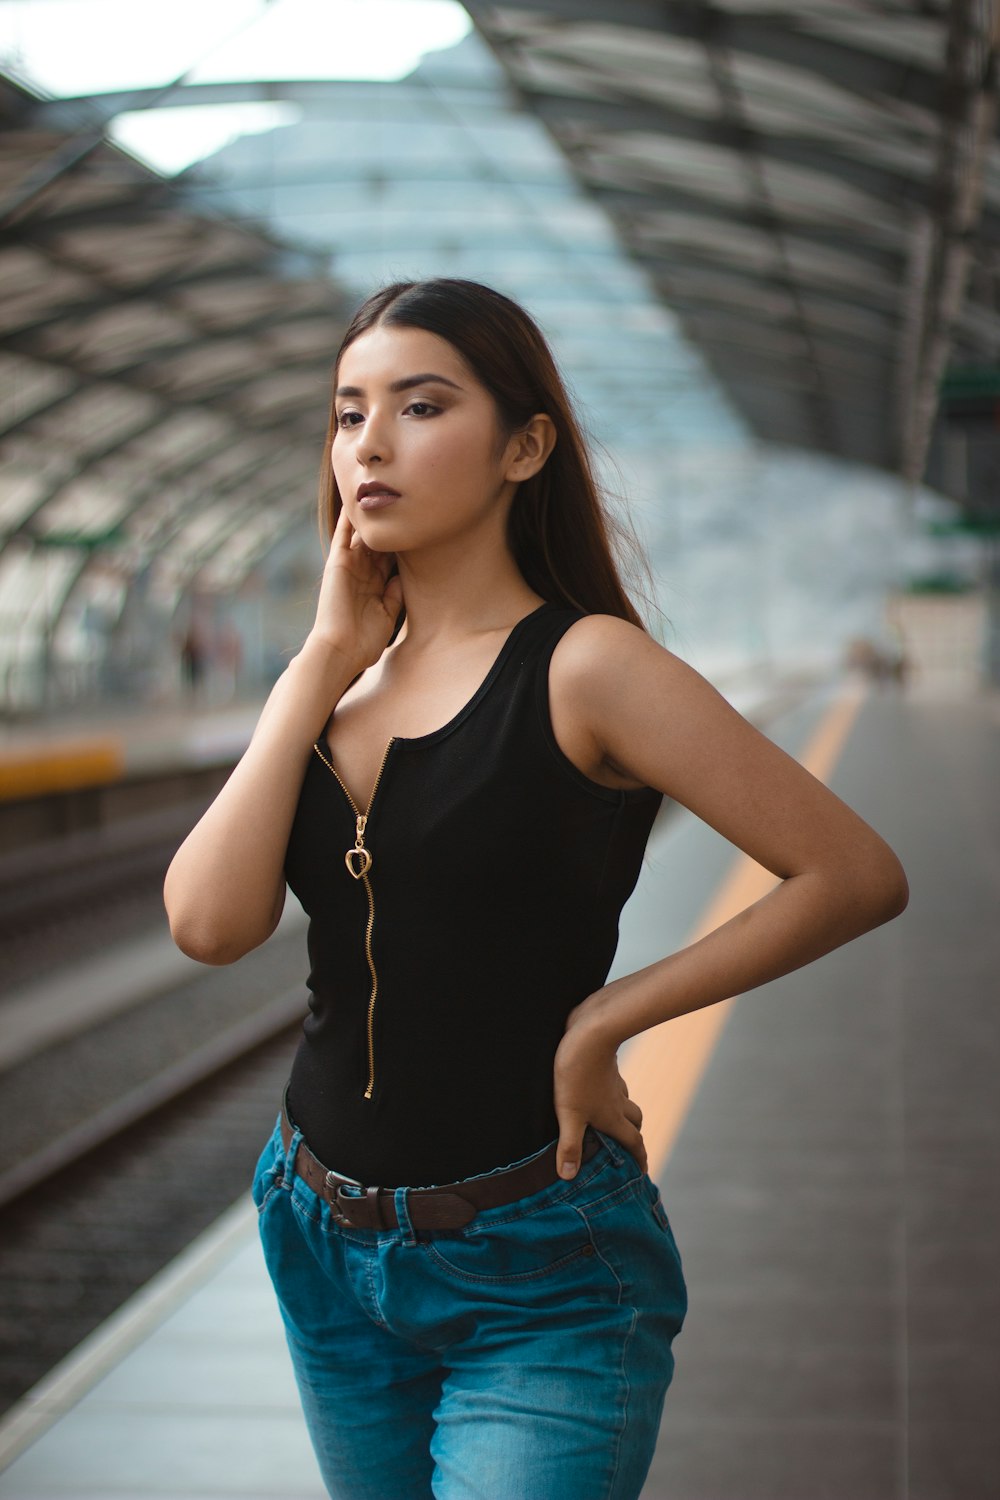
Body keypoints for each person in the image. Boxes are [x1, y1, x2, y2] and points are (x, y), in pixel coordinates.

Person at [163, 278, 908, 1500]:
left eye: (420, 406)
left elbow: (852, 872)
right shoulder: (331, 693)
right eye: (348, 414)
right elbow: (207, 922)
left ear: (524, 446)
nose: (371, 446)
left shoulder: (588, 668)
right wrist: (318, 662)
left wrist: (611, 1016)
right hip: (318, 1234)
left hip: (538, 1267)